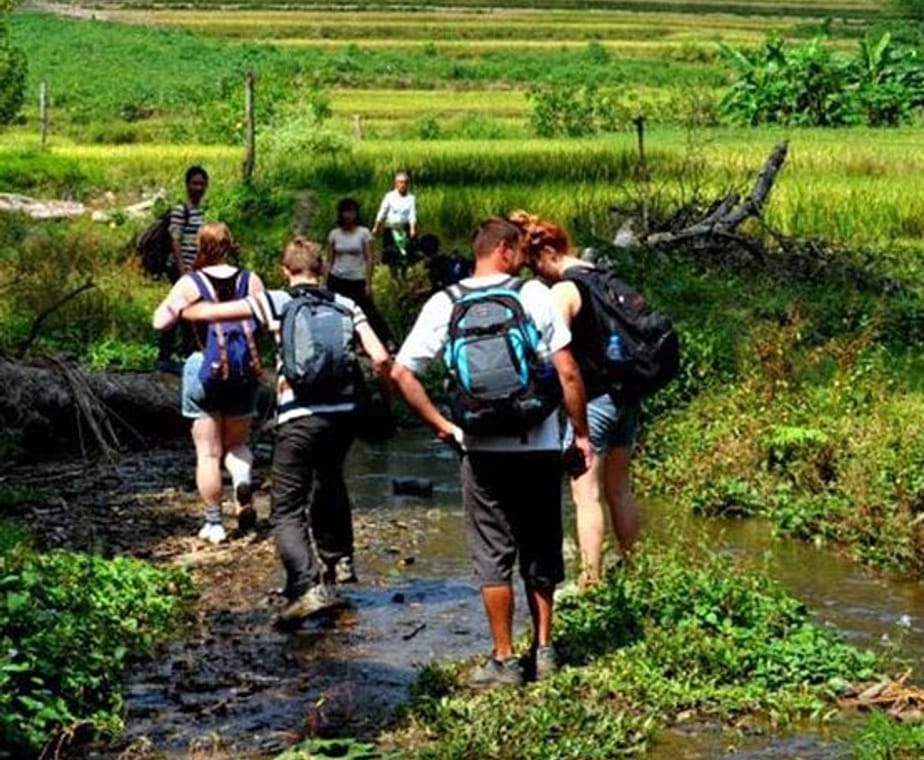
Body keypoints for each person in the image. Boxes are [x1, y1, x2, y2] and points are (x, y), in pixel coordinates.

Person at [391, 217, 593, 688]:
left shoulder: (446, 302)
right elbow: (566, 371)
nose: (523, 256)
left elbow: (401, 373)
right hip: (538, 444)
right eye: (519, 249)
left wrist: (444, 426)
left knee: (491, 553)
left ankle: (503, 660)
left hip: (481, 448)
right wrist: (579, 434)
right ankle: (544, 651)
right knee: (540, 546)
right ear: (502, 248)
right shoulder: (533, 295)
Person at [180, 237, 391, 628]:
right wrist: (383, 398)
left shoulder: (276, 301)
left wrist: (187, 307)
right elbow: (379, 358)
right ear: (323, 268)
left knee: (286, 507)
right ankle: (338, 561)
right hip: (344, 417)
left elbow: (220, 312)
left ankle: (305, 584)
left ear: (285, 270)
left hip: (298, 417)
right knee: (330, 480)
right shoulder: (346, 304)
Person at [512, 211, 641, 589]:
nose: (536, 275)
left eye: (535, 264)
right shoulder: (604, 277)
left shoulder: (564, 290)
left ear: (548, 252)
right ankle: (633, 565)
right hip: (626, 393)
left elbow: (552, 352)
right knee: (620, 485)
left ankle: (590, 580)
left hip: (595, 399)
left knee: (586, 494)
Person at [152, 222, 263, 544]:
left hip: (203, 369)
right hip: (243, 370)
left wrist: (185, 308)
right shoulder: (250, 280)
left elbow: (160, 321)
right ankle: (241, 476)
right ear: (231, 245)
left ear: (202, 247)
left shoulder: (191, 282)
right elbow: (266, 321)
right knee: (237, 445)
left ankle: (214, 524)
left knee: (209, 453)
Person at [156, 165, 209, 374]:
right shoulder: (181, 209)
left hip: (194, 270)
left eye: (202, 184)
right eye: (195, 183)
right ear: (187, 185)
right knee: (177, 310)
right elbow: (175, 238)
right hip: (181, 269)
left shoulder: (201, 210)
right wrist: (182, 271)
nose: (199, 187)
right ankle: (165, 356)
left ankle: (188, 354)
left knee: (188, 313)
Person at [327, 197, 394, 348]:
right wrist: (324, 281)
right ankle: (347, 342)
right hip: (337, 278)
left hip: (357, 278)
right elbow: (329, 260)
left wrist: (368, 282)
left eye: (351, 212)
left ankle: (386, 340)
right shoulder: (334, 234)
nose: (348, 216)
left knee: (368, 310)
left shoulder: (364, 233)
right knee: (339, 311)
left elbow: (369, 258)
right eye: (345, 212)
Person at [372, 171, 418, 277]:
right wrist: (376, 226)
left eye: (405, 182)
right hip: (391, 229)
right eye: (400, 182)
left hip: (404, 228)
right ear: (396, 184)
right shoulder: (389, 196)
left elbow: (412, 214)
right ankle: (393, 275)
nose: (403, 185)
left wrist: (412, 228)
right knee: (391, 253)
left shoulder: (411, 198)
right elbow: (382, 212)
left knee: (405, 253)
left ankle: (404, 274)